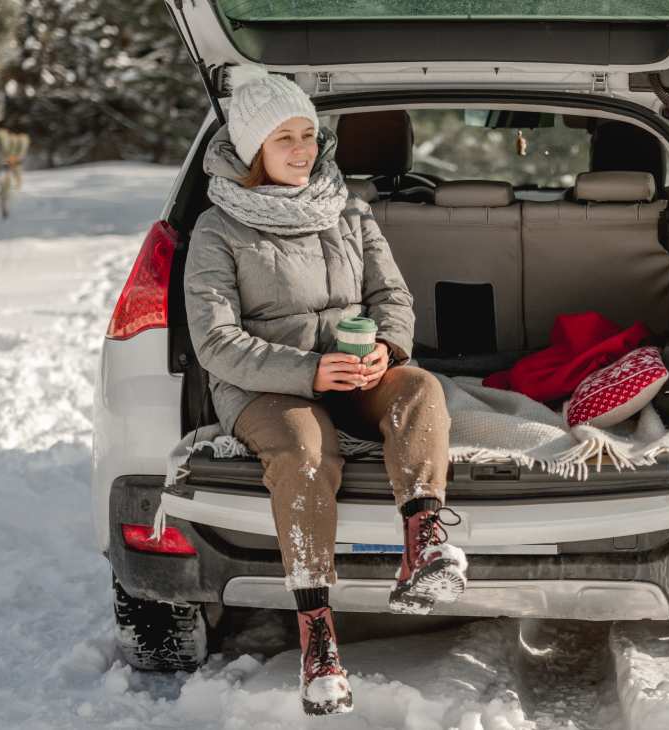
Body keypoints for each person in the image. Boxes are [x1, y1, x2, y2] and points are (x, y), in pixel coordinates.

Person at [182, 65, 468, 716]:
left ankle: (422, 547)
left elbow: (390, 296)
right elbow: (215, 342)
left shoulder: (349, 209)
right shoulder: (217, 229)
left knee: (420, 388)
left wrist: (384, 351)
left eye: (309, 134)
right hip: (264, 389)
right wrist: (307, 373)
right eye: (286, 138)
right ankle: (319, 638)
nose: (304, 150)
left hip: (353, 372)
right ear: (253, 149)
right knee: (306, 454)